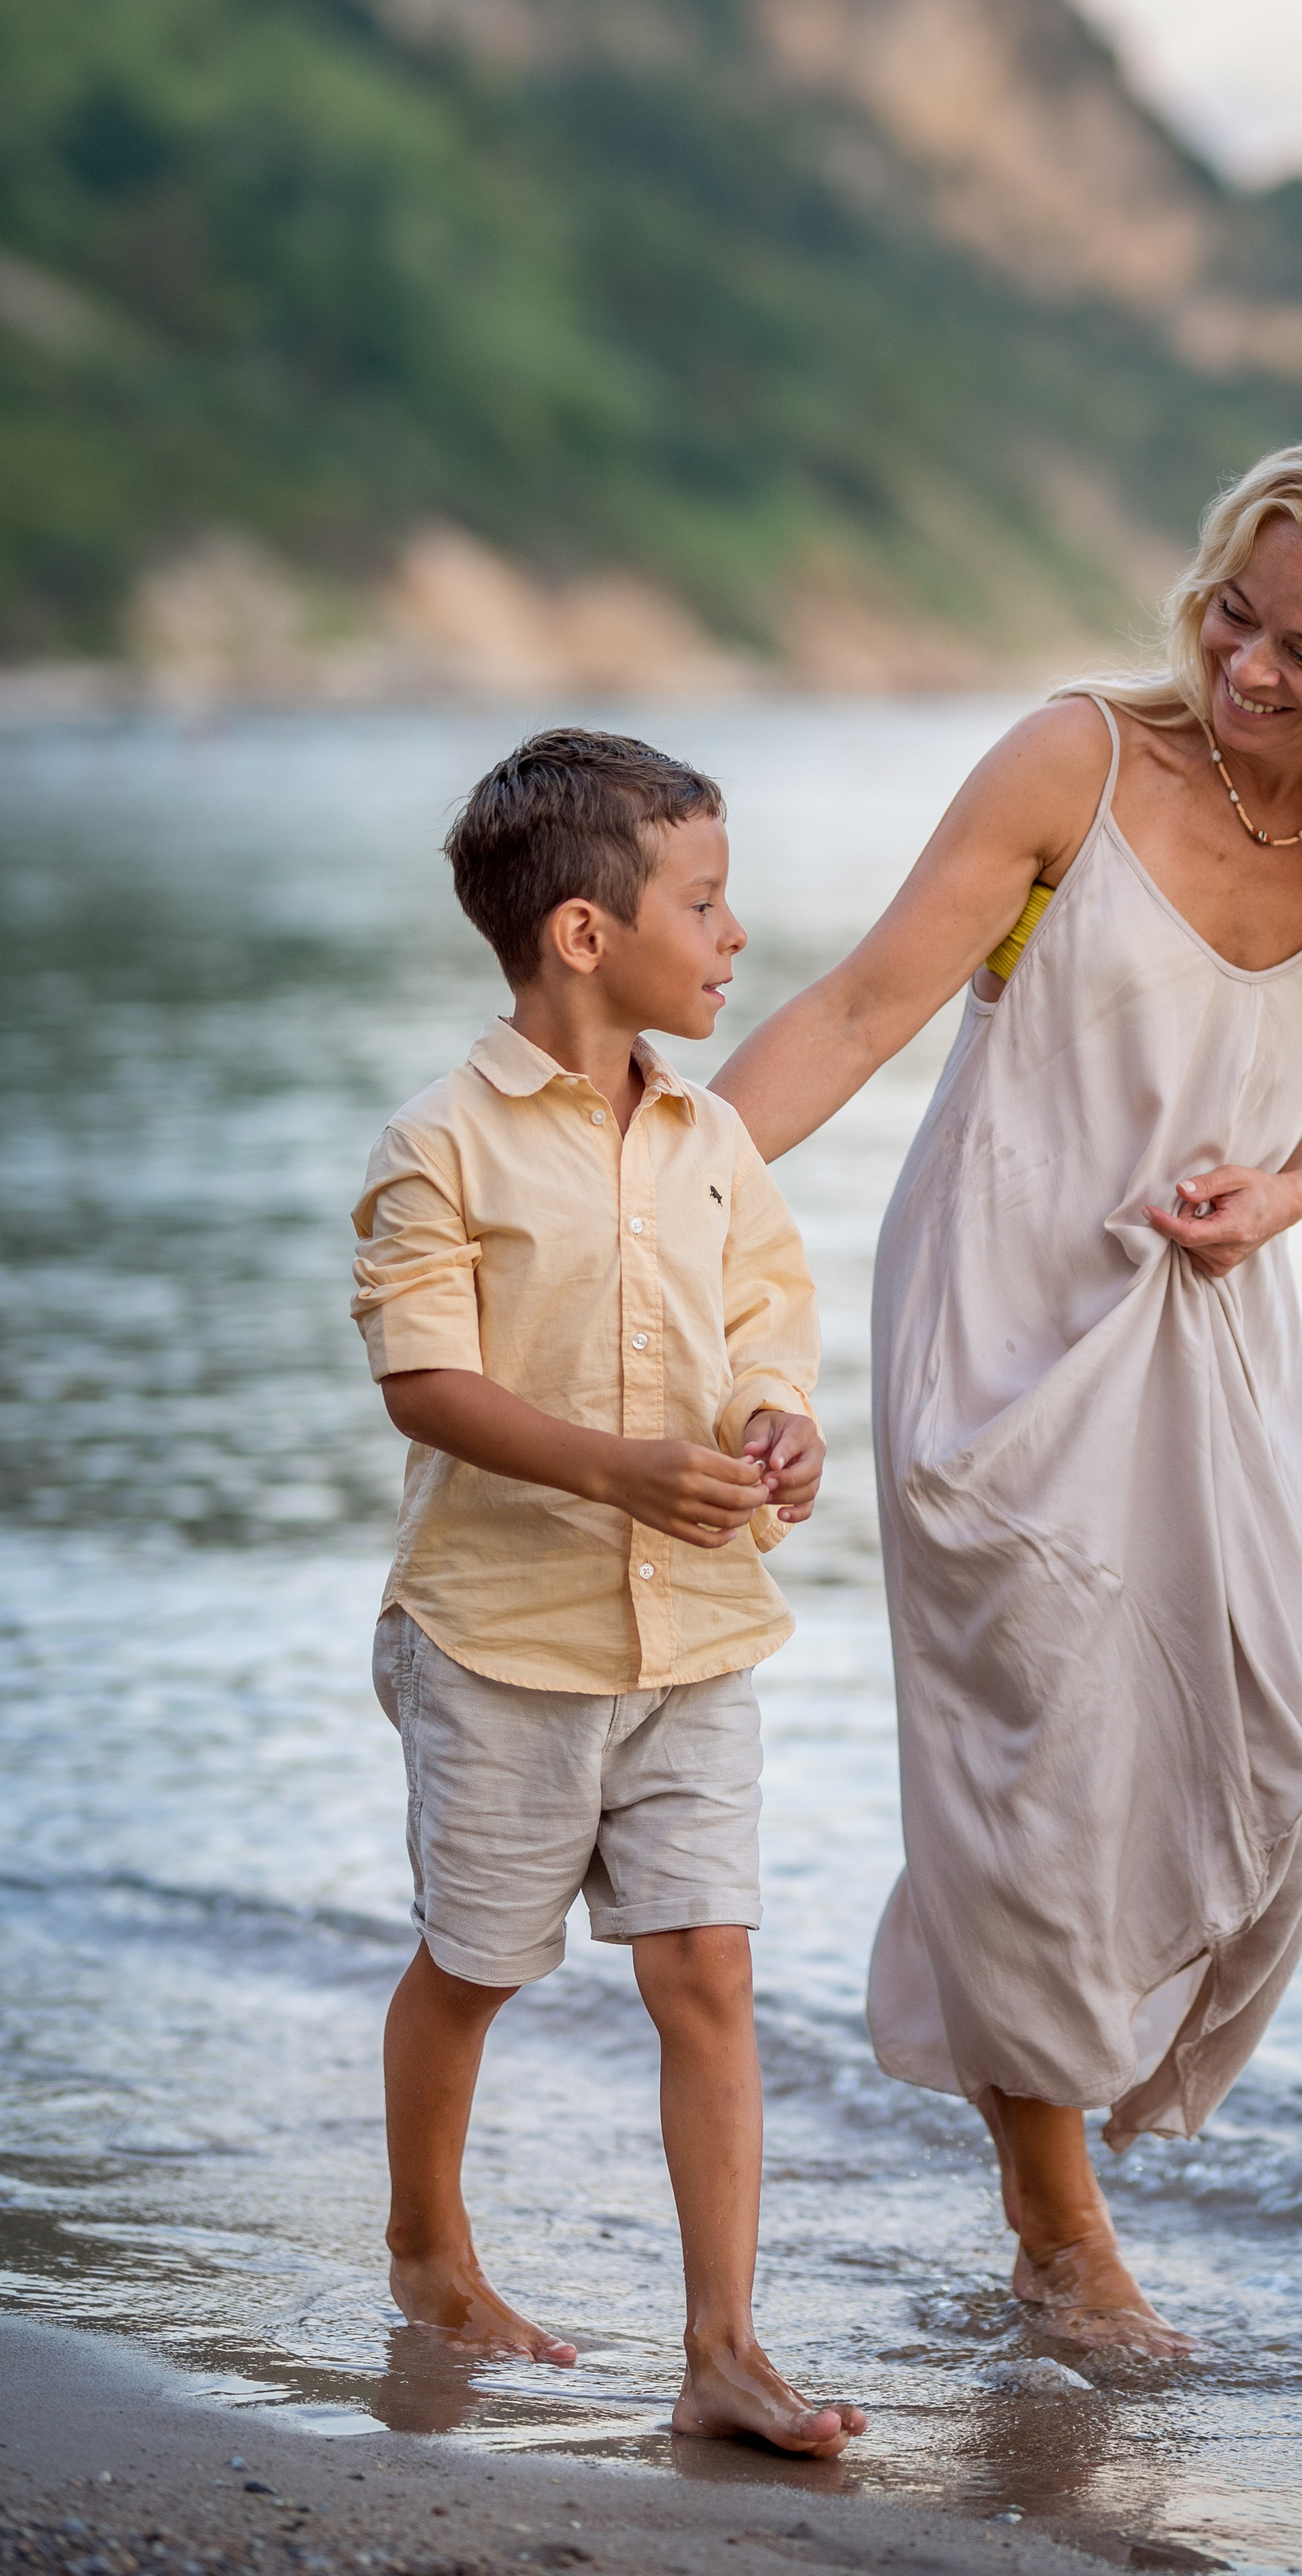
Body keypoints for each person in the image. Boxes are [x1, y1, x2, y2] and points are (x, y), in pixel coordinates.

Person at [712, 429, 1302, 2355]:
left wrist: (1277, 1192)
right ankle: (1055, 2226)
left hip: (1206, 1319)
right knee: (1036, 1766)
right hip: (999, 1308)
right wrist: (639, 1193)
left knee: (1275, 1756)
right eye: (1231, 617)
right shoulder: (1069, 765)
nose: (1244, 671)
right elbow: (858, 1010)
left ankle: (1058, 2136)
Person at [350, 728, 865, 2456]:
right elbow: (424, 1386)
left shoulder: (715, 1139)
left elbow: (759, 1328)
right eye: (704, 903)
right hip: (500, 1642)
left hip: (696, 1641)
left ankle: (722, 2347)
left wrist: (774, 1427)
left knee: (706, 1971)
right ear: (585, 934)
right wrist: (616, 1469)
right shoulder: (442, 1147)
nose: (733, 938)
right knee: (478, 1966)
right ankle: (430, 2249)